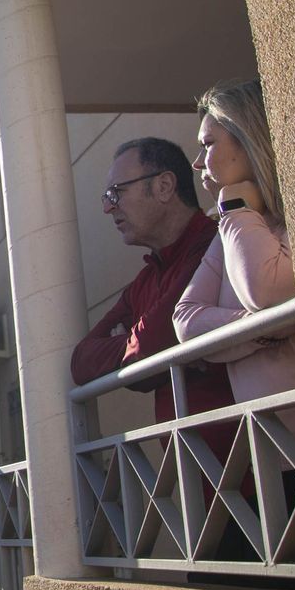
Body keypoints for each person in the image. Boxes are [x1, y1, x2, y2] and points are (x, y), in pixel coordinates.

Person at [174, 78, 295, 452]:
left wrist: (236, 204)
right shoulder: (228, 229)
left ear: (247, 138)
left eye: (207, 144)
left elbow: (265, 293)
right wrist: (263, 330)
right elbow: (186, 322)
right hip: (273, 456)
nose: (197, 161)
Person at [70, 137, 236, 430]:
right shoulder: (144, 281)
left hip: (260, 466)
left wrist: (138, 348)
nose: (108, 208)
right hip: (190, 467)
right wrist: (136, 347)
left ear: (164, 187)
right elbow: (81, 362)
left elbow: (149, 347)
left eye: (116, 192)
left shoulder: (215, 245)